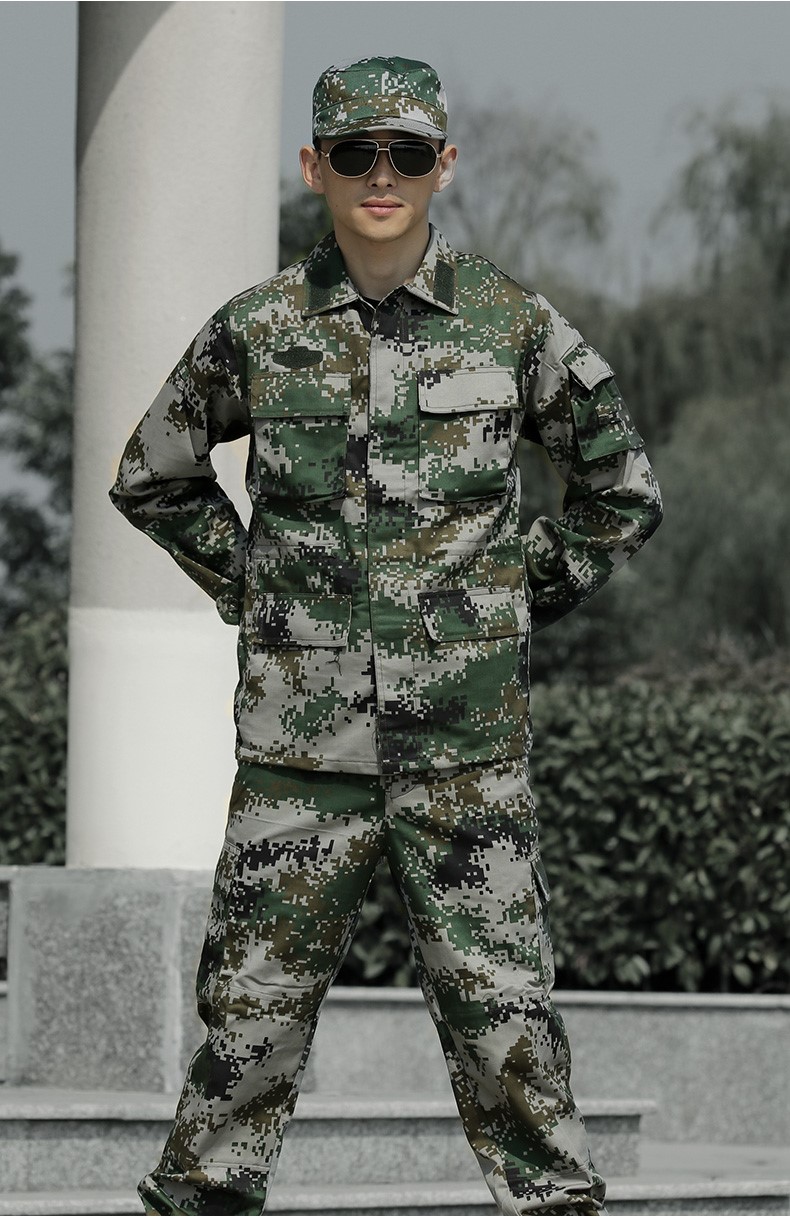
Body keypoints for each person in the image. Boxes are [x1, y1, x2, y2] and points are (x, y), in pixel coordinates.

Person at [111, 55, 662, 1217]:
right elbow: (153, 473)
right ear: (312, 166)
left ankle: (554, 1204)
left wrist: (509, 599)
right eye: (353, 153)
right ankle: (202, 1202)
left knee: (504, 1009)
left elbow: (621, 489)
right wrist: (257, 587)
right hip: (299, 753)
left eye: (406, 154)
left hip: (464, 750)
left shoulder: (511, 326)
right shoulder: (257, 329)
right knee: (250, 1013)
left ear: (442, 166)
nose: (380, 175)